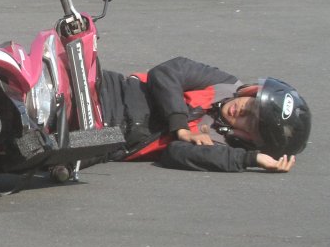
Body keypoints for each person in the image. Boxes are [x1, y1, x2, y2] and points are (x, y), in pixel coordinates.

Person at [98, 57, 311, 172]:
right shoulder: (225, 83)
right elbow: (168, 71)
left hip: (110, 135)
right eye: (252, 104)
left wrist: (250, 159)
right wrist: (180, 126)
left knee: (70, 149)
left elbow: (177, 153)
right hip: (109, 88)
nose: (243, 110)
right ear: (252, 92)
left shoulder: (223, 145)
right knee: (74, 53)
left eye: (251, 122)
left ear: (249, 138)